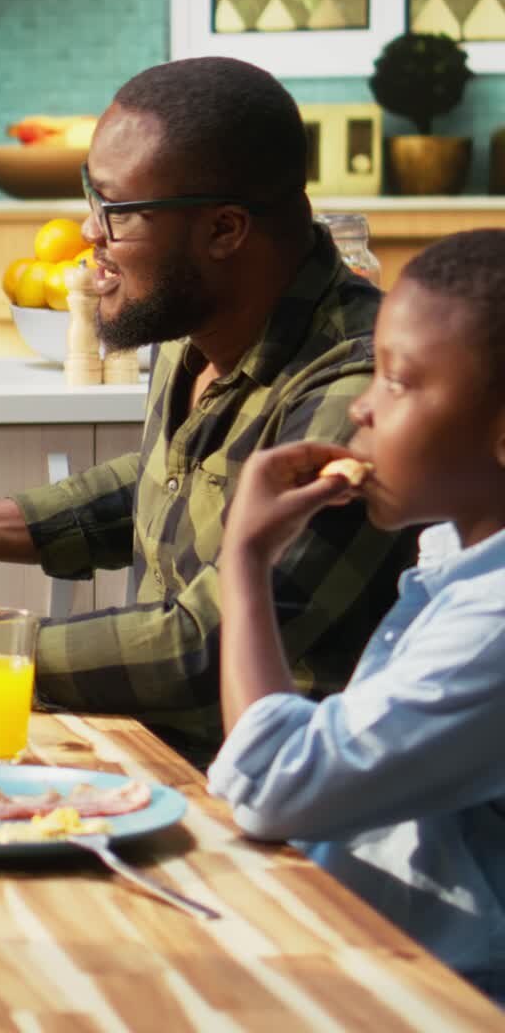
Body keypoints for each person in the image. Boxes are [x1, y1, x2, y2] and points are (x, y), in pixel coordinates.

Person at [0, 56, 417, 767]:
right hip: (146, 750)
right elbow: (172, 477)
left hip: (266, 800)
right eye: (93, 196)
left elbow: (207, 643)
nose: (89, 231)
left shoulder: (361, 393)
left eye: (115, 211)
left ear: (225, 229)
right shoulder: (200, 320)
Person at [208, 228, 505, 1001]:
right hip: (355, 949)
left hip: (442, 999)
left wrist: (245, 561)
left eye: (397, 381)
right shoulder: (453, 561)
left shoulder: (496, 622)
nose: (363, 408)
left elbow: (274, 785)